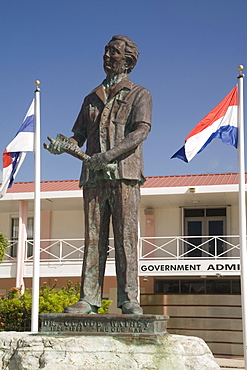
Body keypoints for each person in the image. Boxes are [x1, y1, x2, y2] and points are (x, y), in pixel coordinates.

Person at [46, 35, 152, 314]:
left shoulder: (139, 94)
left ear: (127, 61)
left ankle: (129, 299)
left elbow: (140, 131)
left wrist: (108, 156)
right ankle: (88, 299)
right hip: (93, 177)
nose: (106, 55)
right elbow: (78, 136)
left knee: (125, 238)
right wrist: (64, 145)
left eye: (113, 52)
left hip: (124, 175)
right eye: (105, 51)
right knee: (93, 238)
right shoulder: (91, 98)